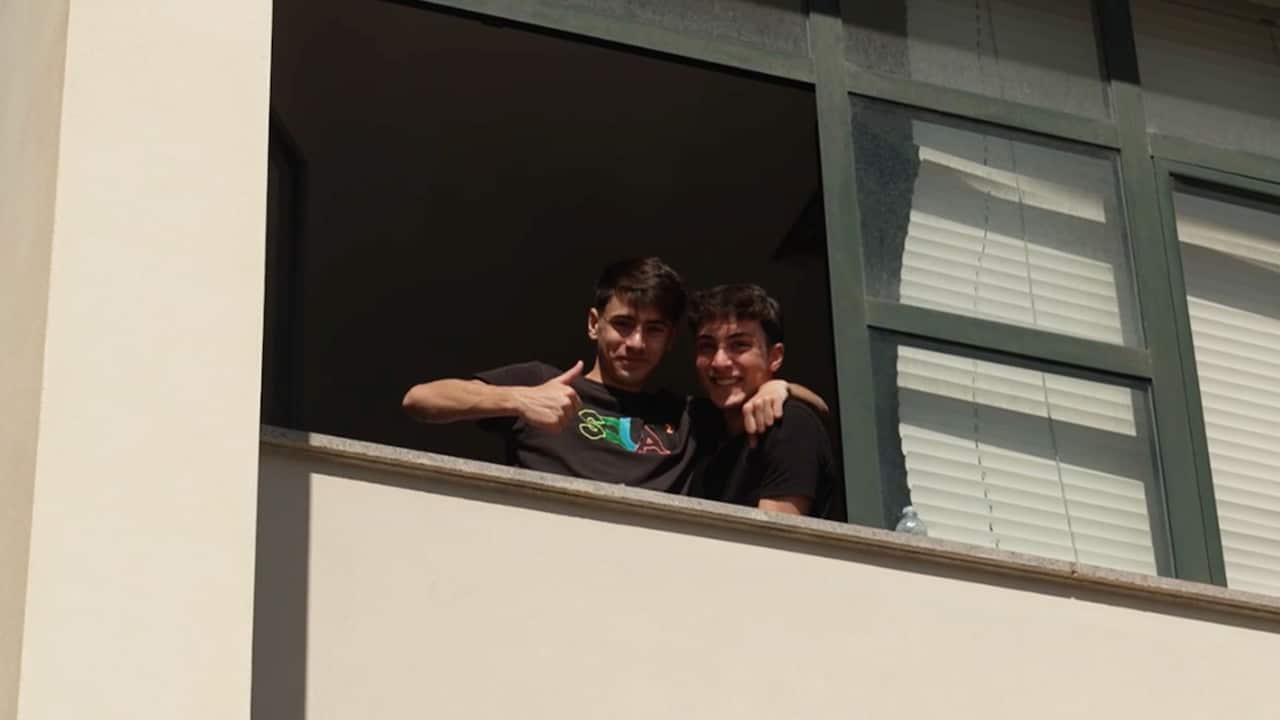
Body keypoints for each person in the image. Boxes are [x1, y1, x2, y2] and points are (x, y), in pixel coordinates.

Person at [400, 257, 807, 493]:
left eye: (653, 330)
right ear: (595, 324)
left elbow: (803, 419)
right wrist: (516, 399)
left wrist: (779, 386)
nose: (635, 343)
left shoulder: (688, 417)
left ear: (668, 342)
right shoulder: (541, 381)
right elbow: (421, 399)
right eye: (623, 324)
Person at [687, 283, 845, 520]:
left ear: (775, 357)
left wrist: (785, 388)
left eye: (739, 345)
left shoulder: (790, 424)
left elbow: (774, 541)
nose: (719, 362)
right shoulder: (699, 428)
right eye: (707, 346)